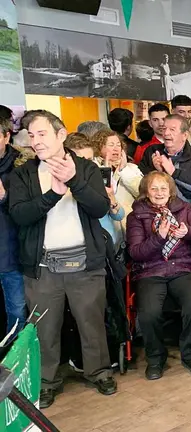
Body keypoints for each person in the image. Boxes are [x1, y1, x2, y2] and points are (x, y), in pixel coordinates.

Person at [7, 111, 116, 407]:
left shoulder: (86, 168)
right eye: (31, 135)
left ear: (60, 134)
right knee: (45, 329)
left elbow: (99, 208)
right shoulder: (23, 174)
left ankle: (99, 371)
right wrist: (52, 195)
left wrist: (74, 181)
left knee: (91, 322)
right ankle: (47, 381)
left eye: (42, 134)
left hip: (85, 263)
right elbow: (20, 215)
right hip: (42, 267)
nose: (36, 141)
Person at [126, 171, 191, 379]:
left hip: (183, 266)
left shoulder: (183, 209)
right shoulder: (136, 215)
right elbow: (136, 252)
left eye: (163, 188)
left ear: (170, 191)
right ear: (146, 192)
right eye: (154, 188)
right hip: (150, 270)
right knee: (149, 313)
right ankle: (155, 358)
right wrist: (158, 238)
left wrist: (188, 232)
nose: (159, 192)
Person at [138, 115, 191, 208]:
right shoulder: (152, 151)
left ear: (185, 135)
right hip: (155, 211)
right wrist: (158, 172)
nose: (166, 133)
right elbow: (141, 184)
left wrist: (174, 172)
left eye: (172, 130)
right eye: (164, 129)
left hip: (189, 214)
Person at [65, 133, 126, 248]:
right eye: (81, 160)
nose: (87, 165)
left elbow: (119, 215)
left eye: (90, 160)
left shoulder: (95, 176)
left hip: (109, 246)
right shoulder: (61, 185)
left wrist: (112, 199)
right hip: (82, 248)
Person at [0, 117, 25, 338]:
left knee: (16, 310)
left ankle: (15, 364)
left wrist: (4, 197)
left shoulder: (21, 165)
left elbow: (29, 211)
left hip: (12, 253)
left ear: (7, 136)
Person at [92, 129, 143, 228]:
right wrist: (105, 171)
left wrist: (124, 170)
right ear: (98, 147)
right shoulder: (92, 168)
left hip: (130, 225)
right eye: (111, 145)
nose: (116, 149)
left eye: (118, 145)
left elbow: (143, 192)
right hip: (105, 226)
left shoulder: (132, 168)